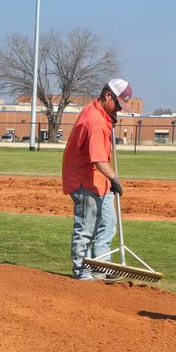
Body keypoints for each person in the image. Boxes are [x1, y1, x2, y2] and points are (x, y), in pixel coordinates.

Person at [61, 78, 133, 280]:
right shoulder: (95, 121)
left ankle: (102, 267)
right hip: (85, 181)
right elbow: (99, 160)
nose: (119, 110)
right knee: (86, 229)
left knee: (107, 225)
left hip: (100, 181)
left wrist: (111, 120)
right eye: (118, 105)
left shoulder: (100, 114)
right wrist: (115, 178)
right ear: (108, 95)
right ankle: (81, 273)